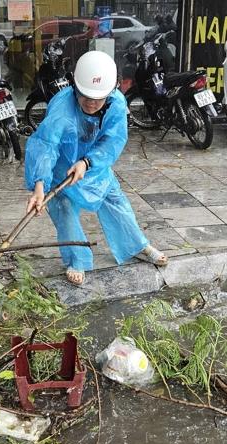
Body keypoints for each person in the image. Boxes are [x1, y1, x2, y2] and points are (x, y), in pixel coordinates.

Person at [24, 51, 167, 285]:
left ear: (110, 92)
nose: (91, 103)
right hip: (61, 170)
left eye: (98, 98)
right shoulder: (61, 107)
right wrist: (39, 186)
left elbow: (113, 140)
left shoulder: (117, 104)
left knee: (116, 202)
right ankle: (76, 259)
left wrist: (87, 162)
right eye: (85, 96)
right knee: (65, 210)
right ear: (75, 87)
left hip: (94, 166)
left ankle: (136, 246)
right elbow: (45, 145)